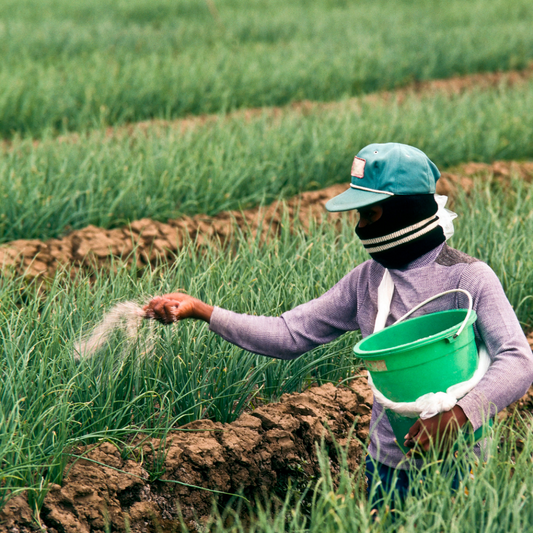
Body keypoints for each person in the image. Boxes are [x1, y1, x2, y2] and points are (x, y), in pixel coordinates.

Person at [144, 142, 533, 504]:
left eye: (370, 213)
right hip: (386, 467)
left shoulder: (467, 277)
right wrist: (204, 311)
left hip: (461, 467)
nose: (361, 227)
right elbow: (289, 333)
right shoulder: (367, 280)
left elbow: (517, 359)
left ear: (406, 210)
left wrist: (459, 415)